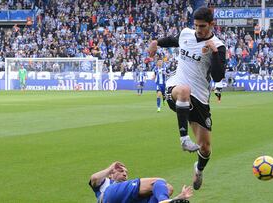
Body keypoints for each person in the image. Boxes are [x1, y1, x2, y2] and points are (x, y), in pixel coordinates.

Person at [148, 7, 226, 190]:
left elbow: (218, 77)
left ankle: (198, 170)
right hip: (176, 87)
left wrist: (214, 53)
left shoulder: (219, 46)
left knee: (205, 148)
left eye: (203, 26)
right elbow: (174, 41)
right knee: (183, 90)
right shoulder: (186, 33)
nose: (199, 30)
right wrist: (155, 42)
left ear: (212, 24)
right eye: (196, 26)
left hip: (200, 98)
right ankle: (184, 139)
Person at [89, 161, 193, 203]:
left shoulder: (129, 191)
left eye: (126, 172)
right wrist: (110, 168)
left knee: (167, 189)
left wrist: (178, 198)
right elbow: (94, 178)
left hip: (125, 200)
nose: (125, 173)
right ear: (111, 174)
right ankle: (164, 201)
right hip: (109, 195)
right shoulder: (106, 182)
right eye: (121, 171)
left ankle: (165, 201)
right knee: (158, 182)